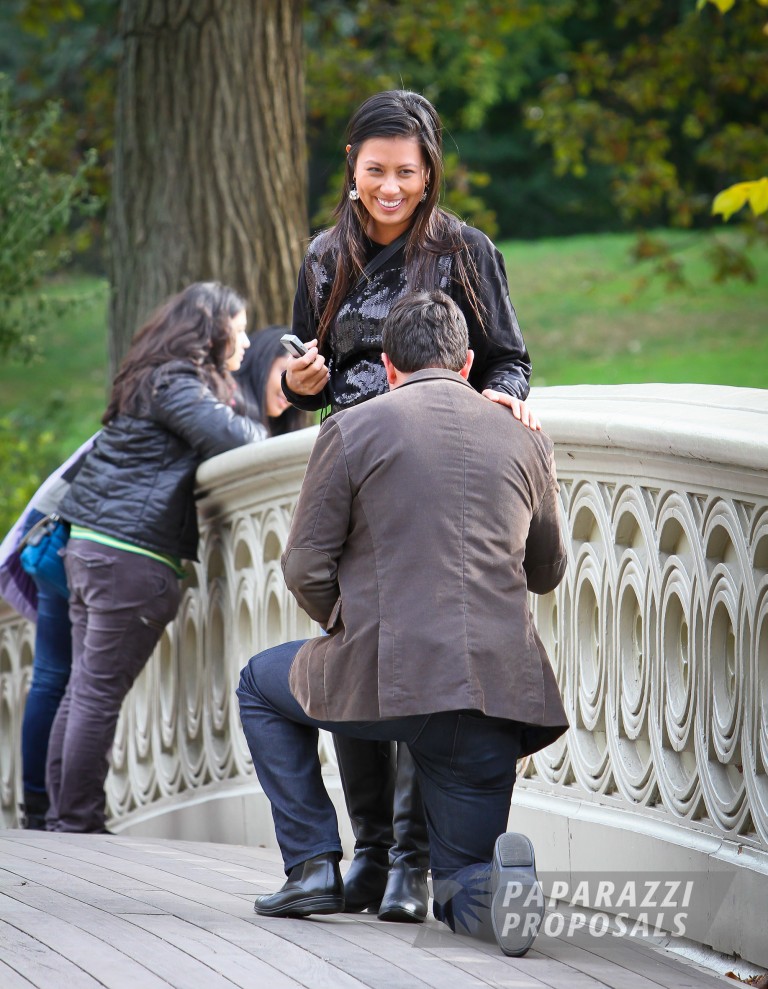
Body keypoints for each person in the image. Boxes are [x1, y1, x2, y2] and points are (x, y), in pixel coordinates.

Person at [236, 290, 568, 956]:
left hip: (388, 683)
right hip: (494, 697)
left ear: (388, 366)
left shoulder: (352, 428)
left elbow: (303, 565)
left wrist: (348, 622)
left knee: (258, 685)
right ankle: (496, 889)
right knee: (458, 886)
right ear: (469, 361)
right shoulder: (525, 437)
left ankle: (310, 866)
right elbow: (546, 570)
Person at [279, 88, 540, 922]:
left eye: (408, 172)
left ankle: (412, 864)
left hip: (438, 476)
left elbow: (508, 359)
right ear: (351, 173)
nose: (391, 187)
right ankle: (371, 855)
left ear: (430, 173)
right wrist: (297, 381)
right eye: (375, 171)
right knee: (356, 650)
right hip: (352, 473)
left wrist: (503, 401)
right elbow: (294, 373)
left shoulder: (466, 251)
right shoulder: (324, 257)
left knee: (425, 657)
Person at [46, 281, 266, 833]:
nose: (243, 346)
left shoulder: (152, 376)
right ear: (209, 334)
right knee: (95, 691)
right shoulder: (177, 381)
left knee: (83, 687)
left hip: (94, 545)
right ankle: (75, 822)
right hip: (129, 554)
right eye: (236, 332)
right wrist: (258, 422)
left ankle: (61, 818)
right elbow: (238, 441)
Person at [0, 436, 96, 828]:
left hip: (55, 540)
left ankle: (37, 807)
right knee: (68, 680)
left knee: (50, 679)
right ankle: (50, 806)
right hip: (72, 542)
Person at [232, 325, 309, 436]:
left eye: (302, 384)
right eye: (285, 374)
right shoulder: (227, 409)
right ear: (262, 361)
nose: (292, 388)